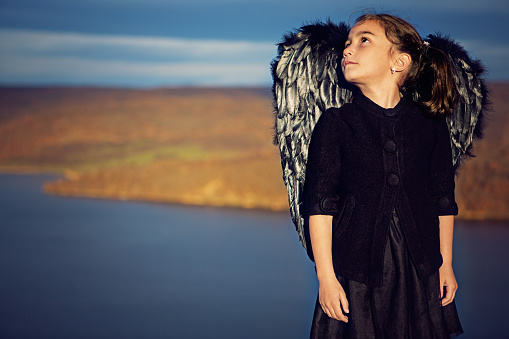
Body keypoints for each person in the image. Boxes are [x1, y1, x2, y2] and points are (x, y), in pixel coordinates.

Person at [304, 14, 463, 338]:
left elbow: (443, 198)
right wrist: (326, 278)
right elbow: (320, 205)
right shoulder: (335, 124)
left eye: (364, 40)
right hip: (354, 274)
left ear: (399, 61)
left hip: (421, 271)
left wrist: (446, 264)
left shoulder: (430, 124)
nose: (348, 49)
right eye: (347, 43)